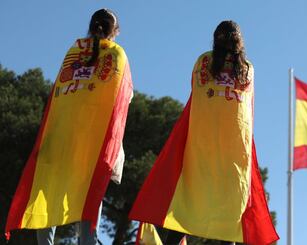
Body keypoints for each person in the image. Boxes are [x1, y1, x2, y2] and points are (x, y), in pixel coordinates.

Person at [129, 20, 279, 245]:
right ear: (239, 42)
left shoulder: (203, 62)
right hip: (233, 154)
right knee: (229, 219)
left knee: (187, 207)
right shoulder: (248, 69)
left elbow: (195, 90)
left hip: (200, 146)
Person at [5, 9, 133, 245]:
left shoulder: (73, 52)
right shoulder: (117, 54)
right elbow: (123, 98)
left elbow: (58, 95)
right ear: (115, 32)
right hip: (93, 141)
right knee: (89, 198)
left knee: (50, 193)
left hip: (60, 136)